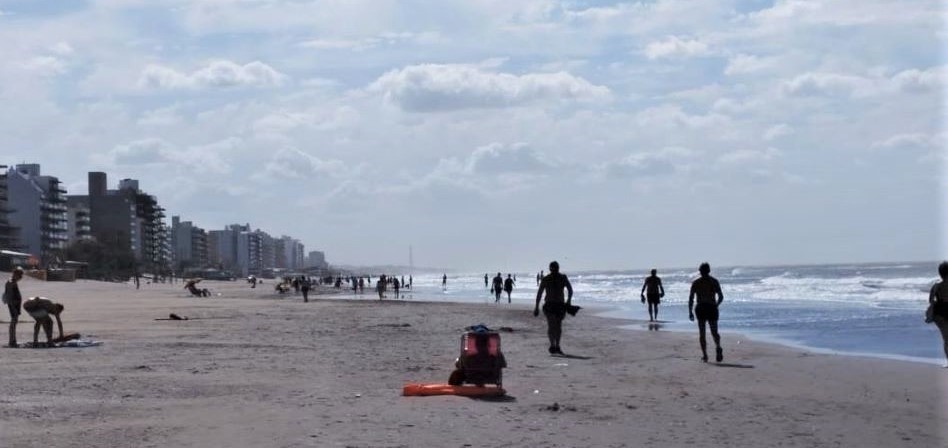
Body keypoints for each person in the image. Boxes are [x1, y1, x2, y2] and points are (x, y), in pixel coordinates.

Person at [534, 261, 574, 355]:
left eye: (555, 269)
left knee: (556, 326)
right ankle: (554, 345)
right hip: (551, 305)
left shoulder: (560, 278)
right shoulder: (548, 279)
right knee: (553, 326)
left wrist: (568, 300)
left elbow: (570, 290)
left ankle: (556, 345)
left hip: (557, 305)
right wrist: (536, 307)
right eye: (554, 269)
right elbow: (539, 293)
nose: (554, 270)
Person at [688, 262, 724, 363]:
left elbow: (691, 299)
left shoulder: (696, 283)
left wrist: (690, 311)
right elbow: (721, 297)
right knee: (714, 331)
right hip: (711, 308)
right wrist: (716, 305)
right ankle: (718, 346)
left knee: (702, 333)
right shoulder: (714, 281)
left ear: (700, 271)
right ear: (709, 271)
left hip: (701, 308)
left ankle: (705, 355)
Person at [928, 261, 948, 366]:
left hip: (940, 315)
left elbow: (931, 300)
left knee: (946, 339)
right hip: (942, 315)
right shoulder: (937, 286)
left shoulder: (936, 286)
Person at [3, 267, 24, 348]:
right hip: (13, 305)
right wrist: (13, 306)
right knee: (13, 322)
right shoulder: (11, 282)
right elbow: (9, 296)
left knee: (14, 322)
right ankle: (11, 341)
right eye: (19, 276)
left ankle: (13, 340)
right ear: (15, 274)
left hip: (15, 305)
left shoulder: (13, 282)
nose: (20, 278)